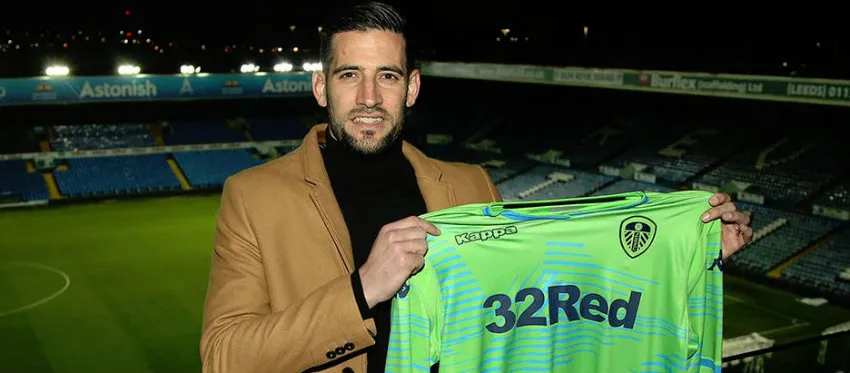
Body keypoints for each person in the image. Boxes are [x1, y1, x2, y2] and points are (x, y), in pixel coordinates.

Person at [199, 2, 754, 373]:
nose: (369, 95)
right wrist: (361, 289)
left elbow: (550, 290)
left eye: (387, 76)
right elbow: (223, 356)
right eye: (350, 75)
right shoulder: (253, 196)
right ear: (322, 86)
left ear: (411, 87)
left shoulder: (469, 185)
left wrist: (694, 250)